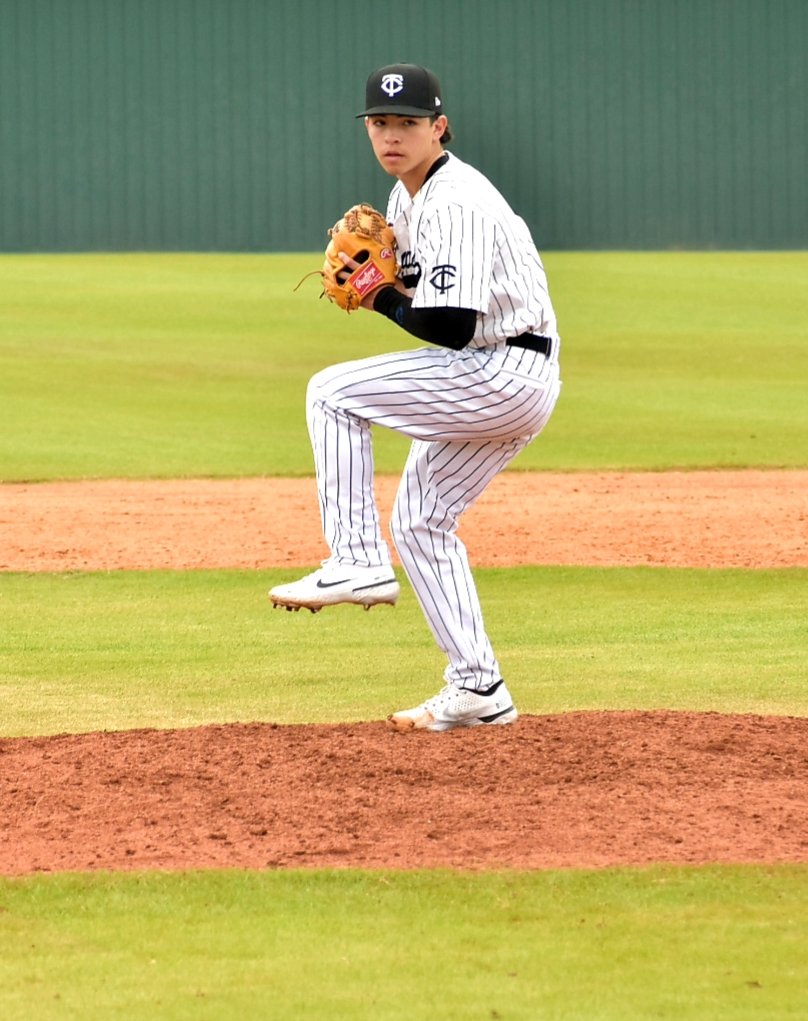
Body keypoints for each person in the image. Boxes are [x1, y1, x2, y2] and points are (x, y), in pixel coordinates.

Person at [270, 63, 562, 732]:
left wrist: (378, 297)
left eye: (407, 123)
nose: (392, 135)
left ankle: (357, 562)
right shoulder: (406, 200)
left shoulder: (455, 197)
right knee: (421, 521)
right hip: (503, 370)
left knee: (331, 393)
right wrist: (388, 286)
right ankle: (478, 686)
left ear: (440, 127)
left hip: (502, 369)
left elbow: (452, 325)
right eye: (380, 122)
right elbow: (428, 305)